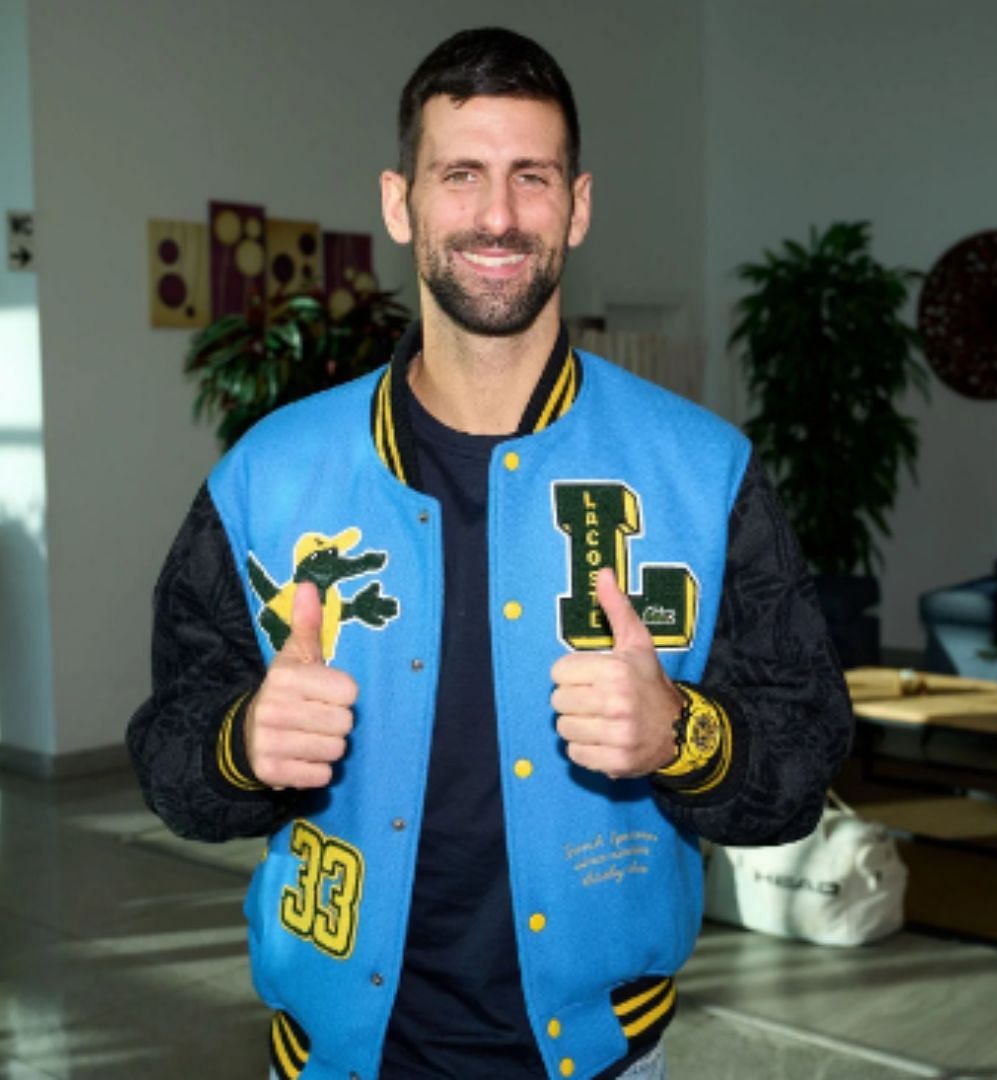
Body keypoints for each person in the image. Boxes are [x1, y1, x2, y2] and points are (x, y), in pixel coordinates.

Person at [125, 28, 852, 1080]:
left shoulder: (704, 471)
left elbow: (804, 750)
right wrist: (242, 741)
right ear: (400, 200)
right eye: (460, 175)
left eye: (532, 178)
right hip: (333, 1056)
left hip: (606, 1056)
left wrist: (682, 733)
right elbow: (168, 753)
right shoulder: (269, 477)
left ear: (580, 203)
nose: (499, 216)